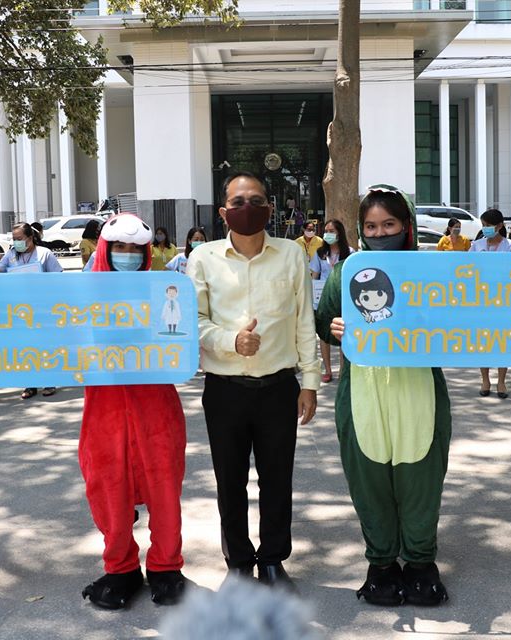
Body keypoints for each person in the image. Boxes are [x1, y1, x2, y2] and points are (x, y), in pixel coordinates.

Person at [316, 185, 451, 607]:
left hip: (418, 388)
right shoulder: (345, 272)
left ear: (407, 226)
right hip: (364, 389)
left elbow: (458, 323)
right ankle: (381, 563)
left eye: (389, 224)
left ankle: (420, 562)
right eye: (371, 226)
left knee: (420, 479)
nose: (380, 234)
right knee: (369, 479)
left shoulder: (431, 272)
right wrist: (334, 328)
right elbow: (323, 323)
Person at [186, 171, 319, 589]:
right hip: (224, 390)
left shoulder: (291, 254)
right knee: (230, 482)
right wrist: (231, 341)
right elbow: (193, 321)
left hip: (279, 388)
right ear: (223, 211)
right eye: (238, 202)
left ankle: (273, 560)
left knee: (278, 480)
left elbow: (303, 320)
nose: (248, 208)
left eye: (257, 200)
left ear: (270, 208)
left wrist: (310, 382)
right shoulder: (203, 258)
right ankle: (239, 563)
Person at [79, 213, 189, 609]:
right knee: (108, 485)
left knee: (164, 484)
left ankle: (166, 566)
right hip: (105, 405)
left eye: (135, 249)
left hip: (155, 403)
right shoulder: (82, 294)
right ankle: (120, 567)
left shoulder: (165, 291)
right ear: (106, 249)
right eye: (120, 247)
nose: (127, 254)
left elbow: (179, 339)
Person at [0, 222, 63, 399]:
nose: (16, 242)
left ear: (31, 238)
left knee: (45, 345)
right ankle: (30, 383)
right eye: (14, 239)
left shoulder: (44, 253)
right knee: (25, 346)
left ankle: (49, 381)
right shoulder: (11, 254)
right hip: (19, 310)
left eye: (19, 239)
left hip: (42, 308)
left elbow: (58, 277)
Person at [471, 209, 511, 399]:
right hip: (482, 301)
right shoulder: (476, 245)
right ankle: (485, 380)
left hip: (504, 302)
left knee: (502, 341)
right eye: (483, 225)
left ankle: (501, 381)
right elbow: (468, 270)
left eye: (488, 225)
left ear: (499, 226)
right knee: (483, 341)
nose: (485, 229)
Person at [310, 219, 352, 383]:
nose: (328, 234)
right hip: (322, 299)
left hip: (342, 299)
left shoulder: (349, 253)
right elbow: (314, 276)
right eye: (326, 231)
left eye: (332, 231)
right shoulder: (320, 253)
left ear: (339, 233)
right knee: (323, 335)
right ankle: (327, 370)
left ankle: (342, 370)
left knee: (343, 333)